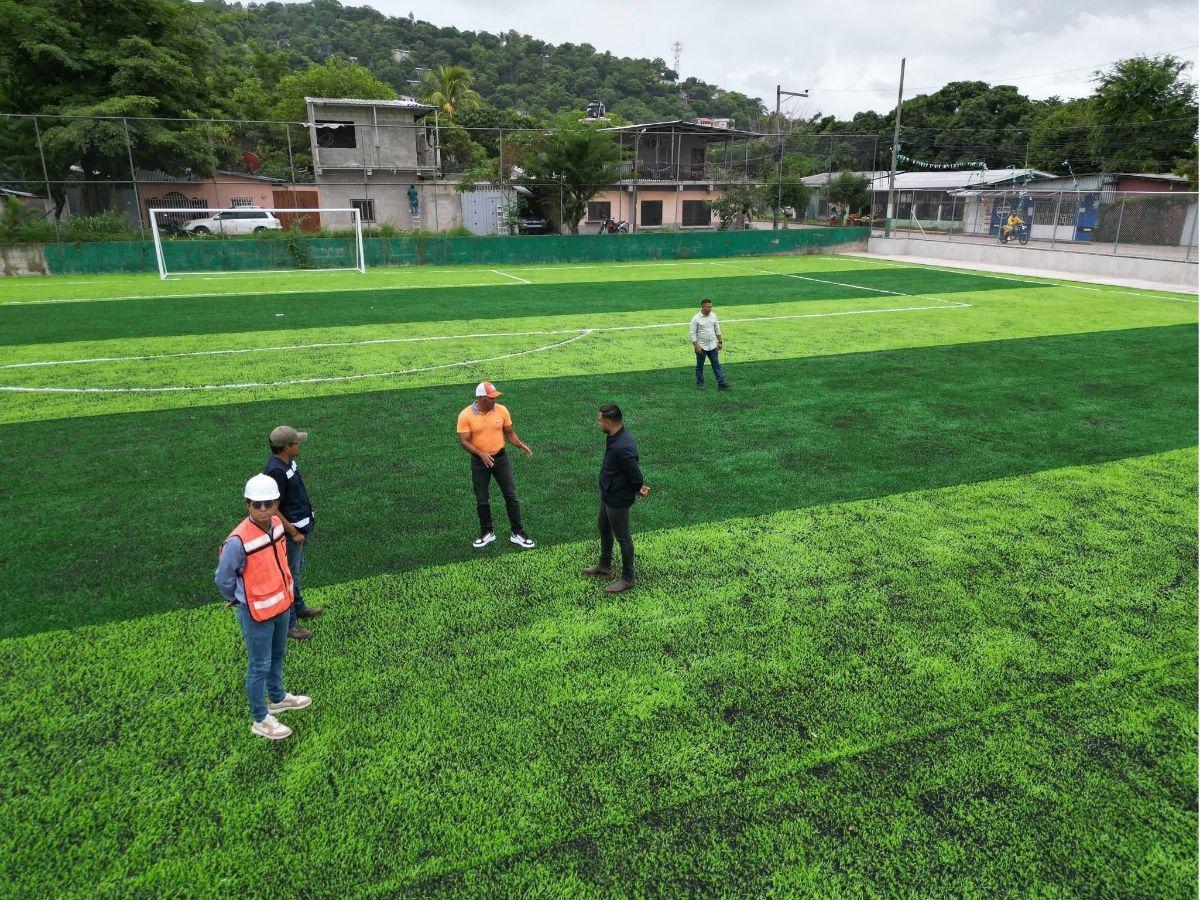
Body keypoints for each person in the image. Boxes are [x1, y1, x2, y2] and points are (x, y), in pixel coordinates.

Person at [215, 474, 311, 741]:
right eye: (256, 504)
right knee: (259, 665)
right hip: (255, 612)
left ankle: (278, 698)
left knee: (278, 653)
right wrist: (238, 597)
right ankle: (260, 718)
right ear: (247, 504)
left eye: (268, 503)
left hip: (281, 605)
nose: (262, 509)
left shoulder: (278, 524)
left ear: (276, 503)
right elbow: (223, 578)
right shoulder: (237, 541)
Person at [456, 381, 536, 550]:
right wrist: (481, 453)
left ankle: (518, 533)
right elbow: (464, 441)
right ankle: (487, 532)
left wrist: (520, 444)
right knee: (482, 498)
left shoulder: (502, 410)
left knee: (511, 495)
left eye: (495, 397)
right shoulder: (465, 415)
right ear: (480, 397)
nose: (494, 401)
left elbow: (509, 433)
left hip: (500, 459)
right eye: (490, 398)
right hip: (479, 461)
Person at [263, 425, 323, 641]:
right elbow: (272, 508)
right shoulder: (277, 471)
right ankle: (290, 624)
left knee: (295, 572)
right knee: (288, 577)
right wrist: (293, 531)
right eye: (296, 442)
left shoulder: (286, 463)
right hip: (292, 533)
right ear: (287, 447)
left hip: (301, 527)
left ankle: (298, 608)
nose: (299, 445)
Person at [582, 404, 649, 594]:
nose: (598, 422)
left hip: (618, 498)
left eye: (599, 420)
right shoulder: (614, 437)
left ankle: (628, 578)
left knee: (623, 537)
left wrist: (637, 488)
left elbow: (635, 475)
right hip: (608, 493)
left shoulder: (623, 446)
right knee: (603, 527)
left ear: (609, 423)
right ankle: (604, 566)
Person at [690, 298, 730, 390]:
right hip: (701, 347)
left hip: (712, 346)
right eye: (708, 307)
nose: (710, 309)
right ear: (703, 307)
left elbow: (717, 329)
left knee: (716, 364)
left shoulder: (713, 316)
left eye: (711, 307)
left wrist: (720, 341)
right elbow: (692, 333)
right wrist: (697, 346)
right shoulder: (696, 319)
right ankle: (700, 383)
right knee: (699, 366)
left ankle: (721, 383)